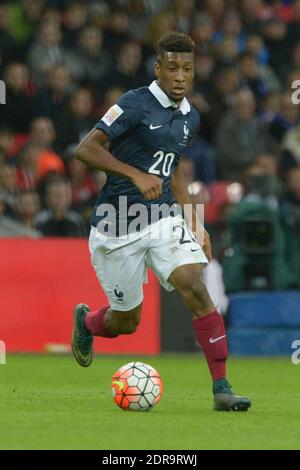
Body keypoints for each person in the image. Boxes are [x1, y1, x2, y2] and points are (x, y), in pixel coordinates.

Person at [72, 32, 251, 411]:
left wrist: (196, 222)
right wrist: (134, 174)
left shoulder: (191, 116)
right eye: (172, 68)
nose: (180, 76)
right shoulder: (134, 104)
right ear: (158, 69)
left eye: (187, 69)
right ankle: (87, 323)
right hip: (116, 223)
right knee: (126, 322)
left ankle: (222, 388)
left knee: (195, 287)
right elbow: (86, 148)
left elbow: (176, 171)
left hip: (161, 216)